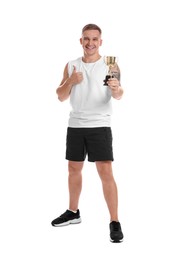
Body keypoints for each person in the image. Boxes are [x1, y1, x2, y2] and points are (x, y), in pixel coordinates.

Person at [51, 23, 124, 243]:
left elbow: (120, 94)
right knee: (73, 169)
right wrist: (71, 82)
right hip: (76, 125)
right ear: (81, 41)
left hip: (100, 125)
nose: (90, 43)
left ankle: (114, 221)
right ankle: (73, 212)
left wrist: (115, 89)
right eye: (86, 39)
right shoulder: (71, 65)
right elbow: (60, 95)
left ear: (100, 42)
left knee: (105, 172)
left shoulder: (110, 64)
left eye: (94, 39)